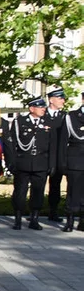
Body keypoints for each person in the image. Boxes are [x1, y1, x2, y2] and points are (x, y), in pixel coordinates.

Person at [5, 97, 55, 230]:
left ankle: (34, 219)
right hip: (23, 163)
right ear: (32, 108)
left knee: (38, 192)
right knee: (20, 192)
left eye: (44, 107)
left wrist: (52, 164)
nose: (43, 109)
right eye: (40, 107)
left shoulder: (48, 122)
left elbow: (52, 145)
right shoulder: (20, 122)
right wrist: (11, 163)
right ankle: (17, 219)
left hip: (41, 163)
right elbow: (12, 144)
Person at [59, 93, 84, 231]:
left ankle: (82, 221)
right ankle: (70, 220)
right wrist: (62, 163)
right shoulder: (72, 117)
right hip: (75, 160)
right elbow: (63, 142)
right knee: (73, 192)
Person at [46, 87, 69, 222]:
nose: (63, 101)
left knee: (56, 184)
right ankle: (33, 213)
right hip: (43, 156)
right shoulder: (42, 115)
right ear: (51, 100)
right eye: (60, 98)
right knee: (37, 184)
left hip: (58, 156)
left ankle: (53, 211)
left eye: (63, 98)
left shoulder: (65, 117)